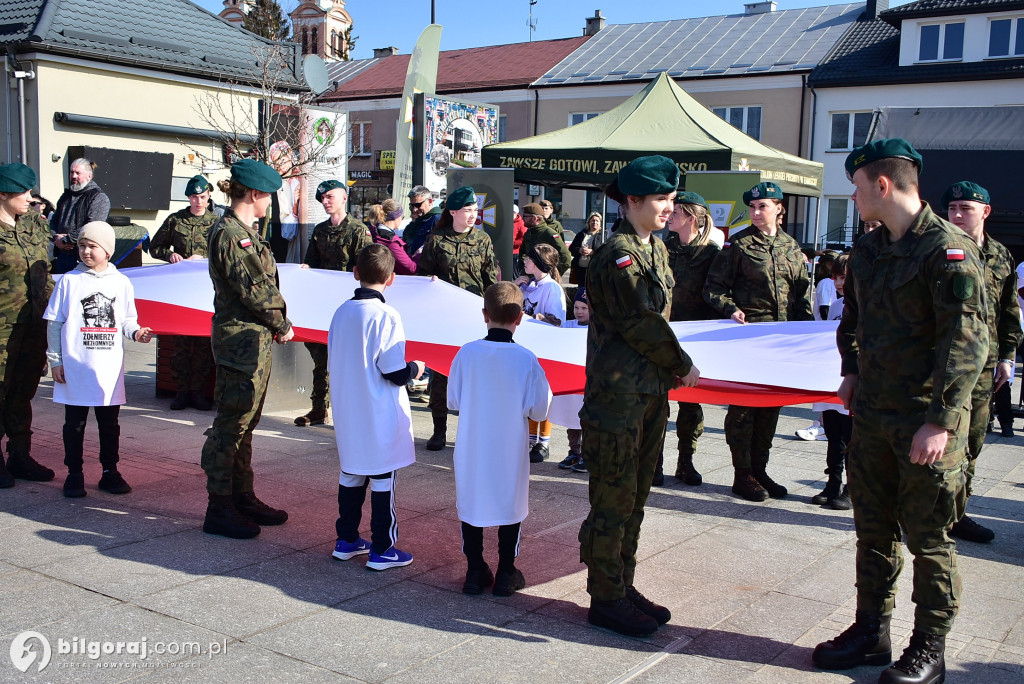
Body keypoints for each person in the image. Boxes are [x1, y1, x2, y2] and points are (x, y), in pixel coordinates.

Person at [812, 139, 989, 684]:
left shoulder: (947, 250)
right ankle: (872, 632)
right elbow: (853, 319)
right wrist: (851, 369)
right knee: (872, 529)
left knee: (929, 537)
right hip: (873, 415)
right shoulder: (867, 250)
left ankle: (929, 648)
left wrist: (939, 419)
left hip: (923, 422)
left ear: (882, 185)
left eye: (858, 187)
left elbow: (967, 342)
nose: (854, 197)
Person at [579, 155, 700, 637]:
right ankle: (605, 597)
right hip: (617, 400)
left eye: (672, 200)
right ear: (631, 202)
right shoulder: (618, 255)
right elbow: (640, 322)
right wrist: (682, 363)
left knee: (636, 498)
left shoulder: (656, 250)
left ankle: (622, 583)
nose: (670, 207)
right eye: (661, 199)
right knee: (614, 498)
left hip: (648, 394)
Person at [201, 159, 294, 539]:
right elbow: (256, 290)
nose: (270, 203)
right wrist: (283, 324)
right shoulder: (231, 235)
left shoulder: (245, 232)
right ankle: (218, 507)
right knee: (231, 425)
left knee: (246, 423)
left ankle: (242, 496)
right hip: (241, 343)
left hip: (251, 343)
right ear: (255, 194)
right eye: (268, 196)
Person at [704, 181, 813, 502]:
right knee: (742, 410)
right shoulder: (737, 246)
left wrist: (805, 337)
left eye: (762, 206)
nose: (755, 212)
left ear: (780, 208)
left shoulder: (791, 247)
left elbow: (801, 296)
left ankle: (760, 469)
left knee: (770, 408)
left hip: (780, 344)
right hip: (748, 342)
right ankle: (742, 474)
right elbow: (713, 288)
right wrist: (731, 308)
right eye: (751, 207)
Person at [448, 281, 552, 596]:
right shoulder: (526, 359)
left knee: (472, 503)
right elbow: (540, 408)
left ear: (484, 314)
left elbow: (453, 401)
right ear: (520, 317)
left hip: (472, 445)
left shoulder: (466, 354)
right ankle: (507, 570)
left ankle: (474, 569)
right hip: (510, 447)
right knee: (511, 504)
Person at [329, 244, 426, 570]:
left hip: (348, 409)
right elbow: (393, 371)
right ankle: (382, 547)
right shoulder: (386, 315)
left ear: (355, 273)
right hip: (378, 411)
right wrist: (416, 369)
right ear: (392, 279)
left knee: (351, 473)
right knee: (383, 477)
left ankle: (346, 539)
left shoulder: (341, 311)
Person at [43, 221, 153, 497]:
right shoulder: (69, 281)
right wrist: (55, 360)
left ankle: (110, 471)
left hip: (108, 369)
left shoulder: (121, 282)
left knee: (109, 424)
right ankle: (74, 472)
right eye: (82, 246)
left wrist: (137, 332)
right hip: (76, 366)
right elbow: (55, 323)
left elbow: (127, 319)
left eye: (92, 246)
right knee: (74, 423)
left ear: (107, 250)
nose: (86, 251)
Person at [943, 180, 1021, 544]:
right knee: (940, 439)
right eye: (952, 208)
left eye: (965, 209)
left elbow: (1009, 311)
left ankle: (957, 513)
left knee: (972, 441)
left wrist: (1008, 356)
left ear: (985, 212)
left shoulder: (1002, 256)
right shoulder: (937, 249)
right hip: (942, 364)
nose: (957, 215)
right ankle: (928, 512)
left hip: (985, 367)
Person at [416, 186, 498, 451]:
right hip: (445, 319)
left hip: (474, 318)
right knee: (441, 375)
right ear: (453, 212)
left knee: (474, 375)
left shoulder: (483, 240)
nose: (473, 215)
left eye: (475, 210)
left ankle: (471, 431)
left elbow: (490, 281)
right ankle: (439, 430)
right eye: (467, 210)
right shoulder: (437, 240)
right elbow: (421, 279)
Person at [296, 179, 372, 427]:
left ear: (344, 197)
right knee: (321, 359)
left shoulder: (359, 231)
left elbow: (366, 270)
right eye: (322, 198)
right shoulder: (319, 231)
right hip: (323, 305)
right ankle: (319, 408)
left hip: (349, 306)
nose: (325, 201)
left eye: (330, 196)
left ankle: (351, 412)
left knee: (349, 361)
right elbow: (310, 264)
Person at [657, 191, 721, 487]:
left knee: (691, 405)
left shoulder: (711, 254)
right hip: (664, 334)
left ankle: (686, 461)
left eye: (676, 212)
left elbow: (717, 293)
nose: (669, 215)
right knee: (657, 402)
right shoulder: (662, 247)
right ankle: (654, 462)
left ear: (691, 219)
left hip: (695, 337)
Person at [0, 163, 56, 488]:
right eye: (24, 192)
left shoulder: (35, 224)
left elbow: (44, 273)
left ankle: (19, 455)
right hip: (3, 332)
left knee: (22, 392)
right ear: (4, 193)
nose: (30, 198)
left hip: (34, 327)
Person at [149, 175, 218, 411]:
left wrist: (206, 259)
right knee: (179, 343)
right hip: (180, 289)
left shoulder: (218, 222)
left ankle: (198, 392)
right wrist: (170, 256)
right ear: (188, 197)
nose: (198, 201)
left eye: (202, 196)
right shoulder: (176, 220)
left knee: (202, 343)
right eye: (193, 197)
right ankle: (180, 392)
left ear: (209, 196)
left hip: (206, 289)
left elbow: (225, 252)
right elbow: (154, 247)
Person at [514, 244, 566, 463]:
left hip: (542, 348)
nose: (524, 262)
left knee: (543, 396)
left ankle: (543, 442)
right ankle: (529, 438)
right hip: (525, 346)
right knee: (527, 396)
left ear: (536, 262)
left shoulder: (551, 288)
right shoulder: (528, 285)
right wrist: (515, 287)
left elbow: (558, 321)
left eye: (528, 259)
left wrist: (539, 318)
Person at [809, 253, 853, 510]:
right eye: (835, 277)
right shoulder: (836, 306)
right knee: (834, 435)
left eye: (844, 277)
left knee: (852, 438)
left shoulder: (870, 306)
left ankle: (852, 487)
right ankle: (832, 483)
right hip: (830, 378)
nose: (838, 282)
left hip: (853, 379)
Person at [51, 158, 110, 274]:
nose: (73, 176)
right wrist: (56, 238)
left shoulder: (98, 198)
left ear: (89, 176)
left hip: (84, 259)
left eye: (78, 173)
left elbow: (92, 227)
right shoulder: (65, 197)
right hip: (62, 257)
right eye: (71, 172)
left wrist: (66, 240)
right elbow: (53, 222)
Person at [558, 288, 590, 473]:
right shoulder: (568, 325)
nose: (579, 311)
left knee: (587, 420)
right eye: (577, 307)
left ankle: (587, 455)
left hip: (587, 382)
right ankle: (574, 452)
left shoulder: (597, 327)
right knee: (572, 418)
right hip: (571, 383)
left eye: (584, 308)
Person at [265, 141, 300, 264]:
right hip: (293, 249)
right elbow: (288, 233)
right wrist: (295, 209)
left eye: (283, 160)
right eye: (276, 162)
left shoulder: (302, 178)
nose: (281, 166)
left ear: (291, 158)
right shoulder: (280, 188)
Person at [519, 203, 571, 276]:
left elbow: (566, 258)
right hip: (529, 279)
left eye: (525, 216)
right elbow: (523, 253)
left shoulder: (549, 234)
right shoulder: (529, 232)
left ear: (534, 218)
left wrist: (552, 275)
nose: (522, 218)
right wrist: (522, 270)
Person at [370, 199, 418, 276]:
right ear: (396, 217)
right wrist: (418, 255)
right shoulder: (391, 243)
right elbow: (411, 269)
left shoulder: (372, 233)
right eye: (402, 217)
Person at [402, 185, 442, 256]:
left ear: (429, 201)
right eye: (412, 206)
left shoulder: (437, 219)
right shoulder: (420, 219)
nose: (414, 209)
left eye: (418, 205)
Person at [569, 212, 605, 285]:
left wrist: (593, 252)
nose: (594, 222)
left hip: (595, 270)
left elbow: (605, 251)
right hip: (581, 269)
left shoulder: (603, 235)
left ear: (600, 223)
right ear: (588, 222)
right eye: (592, 220)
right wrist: (579, 250)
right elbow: (571, 248)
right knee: (582, 290)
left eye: (597, 221)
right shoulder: (581, 234)